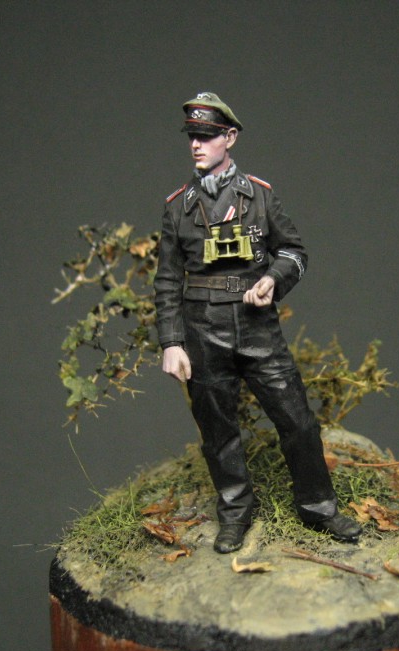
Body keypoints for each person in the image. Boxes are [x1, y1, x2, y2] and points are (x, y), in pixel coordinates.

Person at [154, 92, 361, 554]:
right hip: (203, 329)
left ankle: (318, 507)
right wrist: (171, 342)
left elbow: (294, 251)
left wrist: (272, 279)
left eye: (207, 136)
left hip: (257, 327)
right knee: (218, 431)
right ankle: (235, 512)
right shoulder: (178, 207)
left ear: (230, 137)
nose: (196, 145)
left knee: (297, 420)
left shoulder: (260, 196)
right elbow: (167, 280)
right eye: (192, 136)